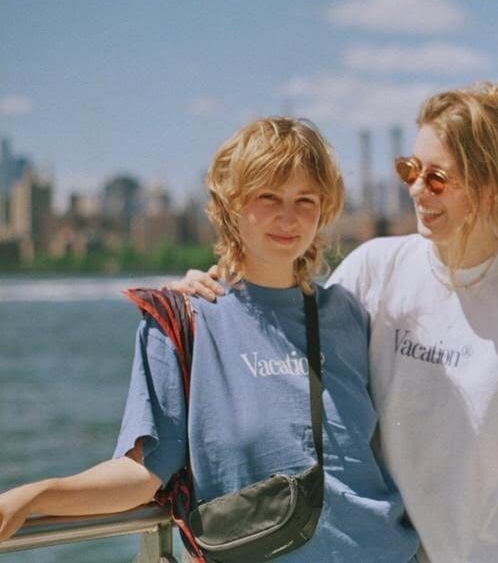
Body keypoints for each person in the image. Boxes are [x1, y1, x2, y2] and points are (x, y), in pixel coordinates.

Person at [170, 82, 498, 562]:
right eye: (410, 169)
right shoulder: (374, 269)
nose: (417, 190)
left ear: (495, 186)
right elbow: (282, 331)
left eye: (438, 178)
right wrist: (216, 288)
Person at [0, 118, 419, 562]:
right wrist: (35, 496)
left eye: (305, 200)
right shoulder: (182, 321)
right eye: (268, 197)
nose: (288, 217)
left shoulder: (347, 316)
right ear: (231, 205)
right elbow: (143, 474)